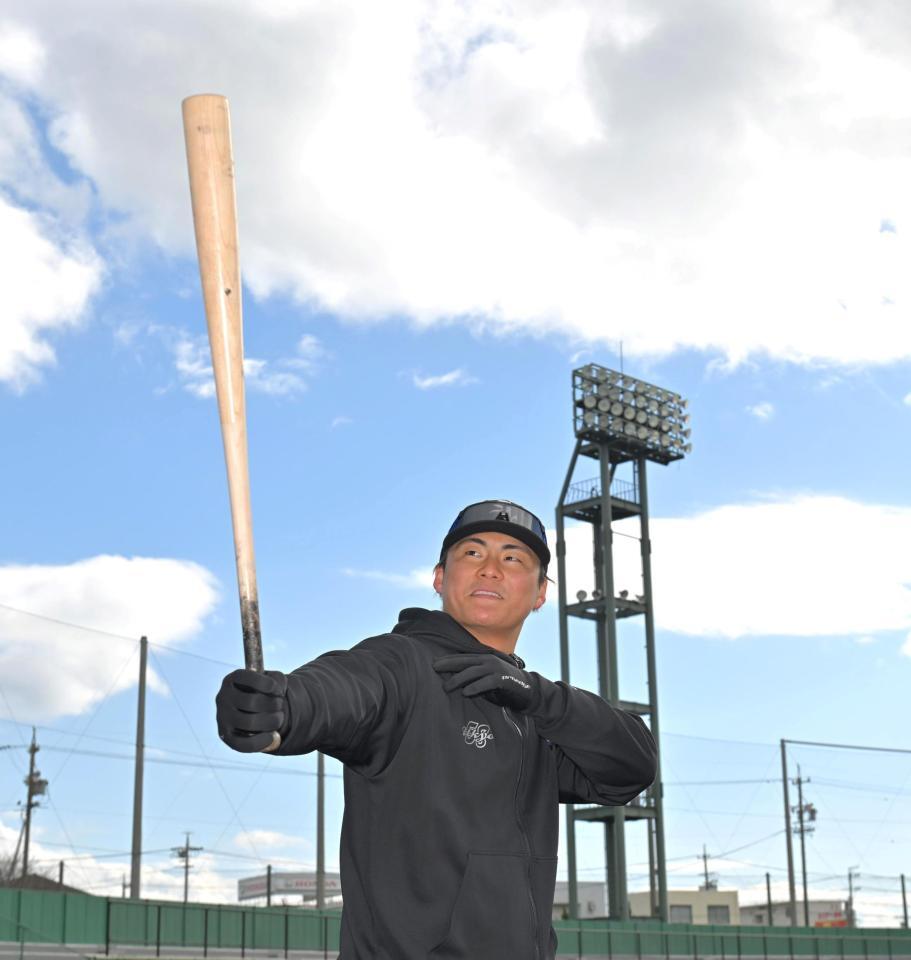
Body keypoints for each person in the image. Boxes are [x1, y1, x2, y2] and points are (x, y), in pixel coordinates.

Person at [216, 499, 657, 960]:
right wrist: (283, 706)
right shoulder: (402, 663)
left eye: (513, 558)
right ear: (440, 578)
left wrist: (538, 695)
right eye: (471, 553)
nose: (490, 569)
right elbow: (343, 688)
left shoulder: (534, 713)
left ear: (541, 592)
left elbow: (632, 768)